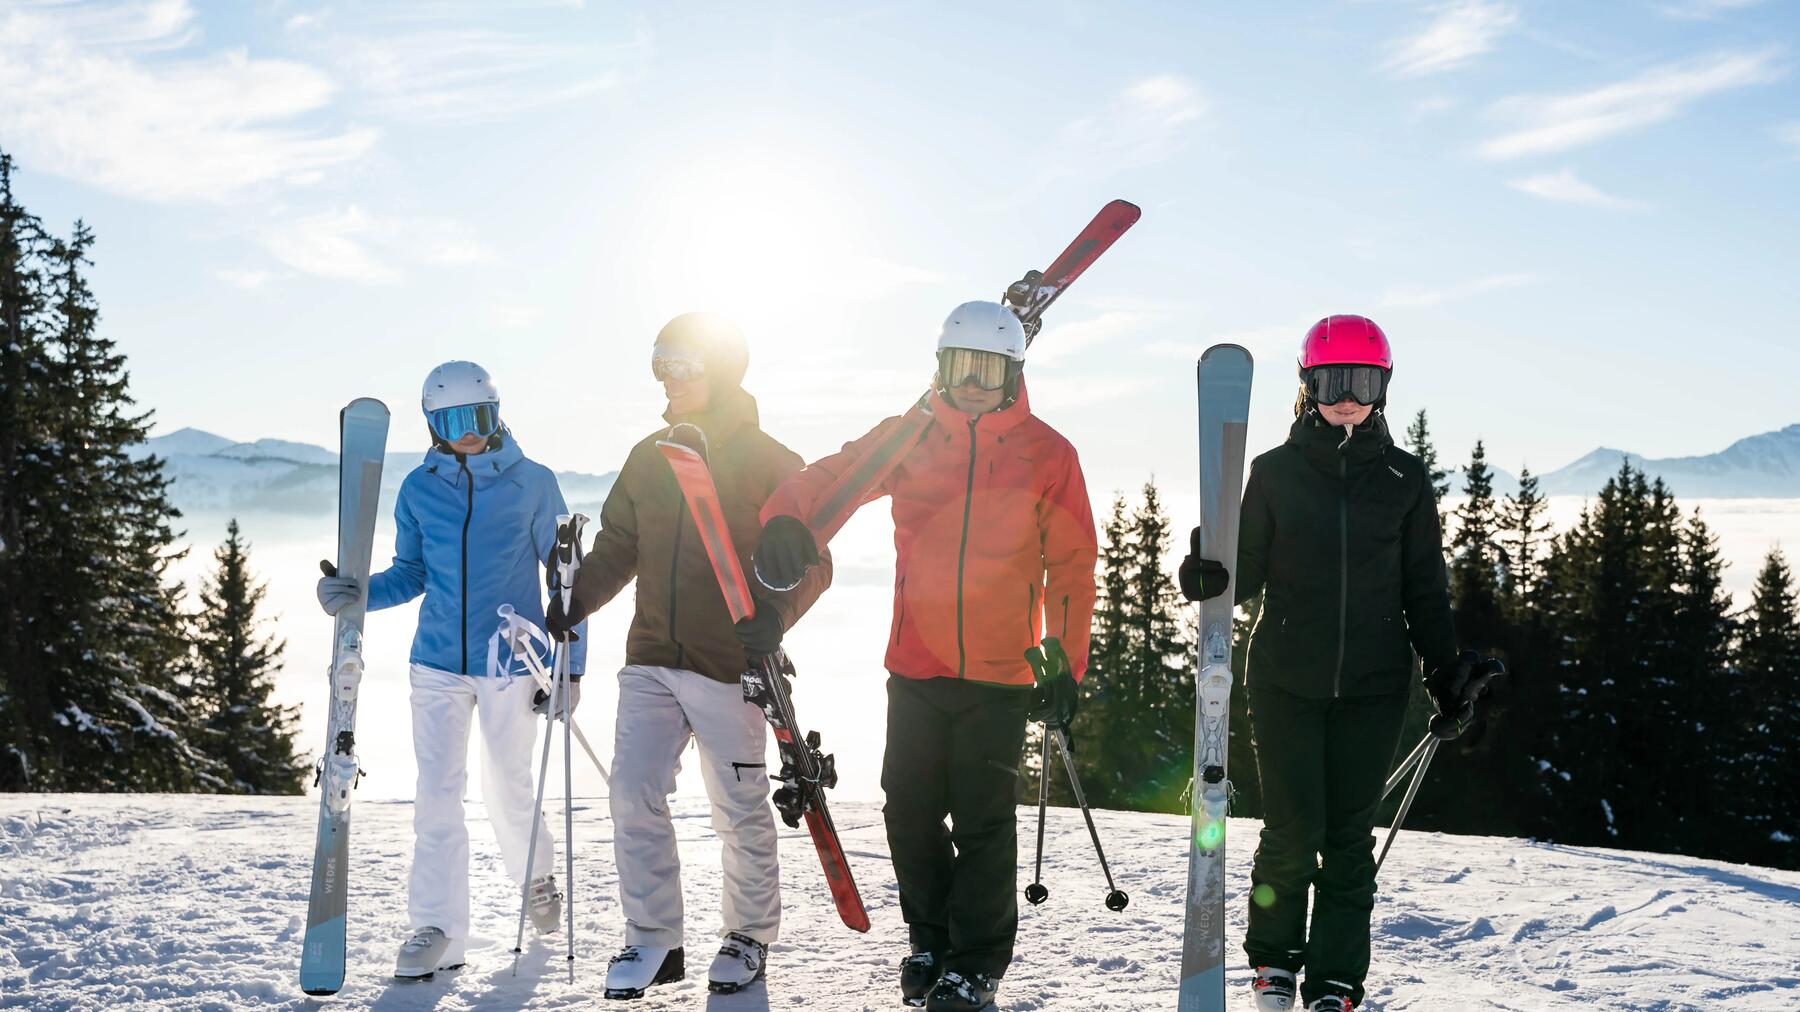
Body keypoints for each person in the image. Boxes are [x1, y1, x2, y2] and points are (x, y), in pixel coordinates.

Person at [753, 300, 1098, 1012]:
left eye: (988, 368)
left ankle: (977, 963)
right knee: (907, 811)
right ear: (940, 368)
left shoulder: (1048, 453)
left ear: (1013, 374)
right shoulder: (907, 438)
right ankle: (931, 939)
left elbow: (1071, 565)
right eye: (959, 366)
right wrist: (787, 517)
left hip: (1001, 673)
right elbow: (833, 477)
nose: (972, 382)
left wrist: (1066, 662)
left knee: (981, 819)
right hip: (915, 665)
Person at [1178, 315, 1463, 1012]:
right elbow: (1242, 576)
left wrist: (1448, 674)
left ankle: (1336, 980)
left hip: (1374, 686)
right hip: (1285, 681)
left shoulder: (1404, 478)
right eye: (1333, 381)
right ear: (1309, 386)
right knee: (1290, 833)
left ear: (1382, 388)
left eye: (1363, 382)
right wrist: (1207, 574)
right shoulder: (1274, 472)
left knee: (1346, 843)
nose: (1347, 397)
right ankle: (1274, 966)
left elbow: (1424, 589)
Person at [543, 312, 831, 999]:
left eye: (684, 364)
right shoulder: (649, 456)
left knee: (738, 806)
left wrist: (775, 616)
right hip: (650, 658)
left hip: (731, 664)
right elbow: (618, 545)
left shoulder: (772, 463)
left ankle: (749, 934)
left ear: (723, 371)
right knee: (631, 792)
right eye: (660, 363)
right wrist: (572, 602)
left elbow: (814, 561)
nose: (668, 378)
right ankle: (653, 937)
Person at [315, 360, 585, 981]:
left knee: (508, 787)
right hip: (435, 661)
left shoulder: (534, 483)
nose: (469, 432)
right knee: (437, 795)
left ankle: (536, 876)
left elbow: (569, 580)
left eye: (480, 417)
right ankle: (437, 927)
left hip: (509, 659)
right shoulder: (418, 489)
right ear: (434, 424)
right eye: (455, 420)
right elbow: (410, 575)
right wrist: (354, 595)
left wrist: (573, 668)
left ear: (497, 414)